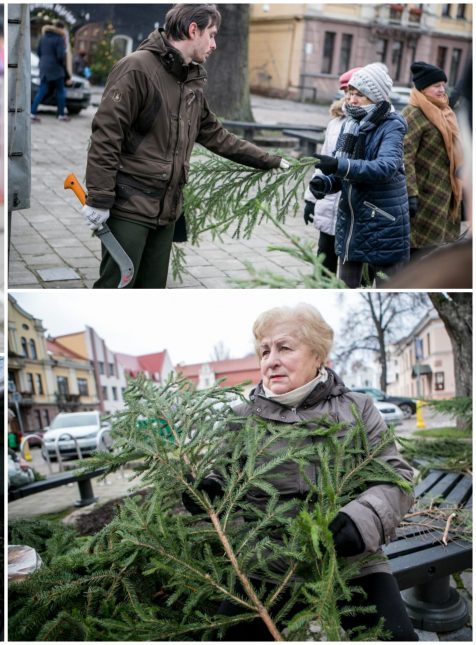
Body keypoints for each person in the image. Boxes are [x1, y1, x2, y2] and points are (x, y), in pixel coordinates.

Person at [189, 304, 416, 640]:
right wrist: (208, 488)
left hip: (351, 562)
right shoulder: (242, 416)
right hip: (266, 565)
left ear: (318, 356)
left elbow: (397, 477)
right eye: (264, 351)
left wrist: (361, 518)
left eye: (285, 347)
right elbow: (222, 470)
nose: (271, 360)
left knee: (394, 636)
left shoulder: (357, 408)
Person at [83, 4, 288, 289]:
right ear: (194, 30)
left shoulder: (191, 80)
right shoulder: (137, 68)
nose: (215, 44)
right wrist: (99, 198)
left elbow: (216, 134)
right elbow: (106, 135)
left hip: (167, 211)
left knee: (152, 290)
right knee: (116, 288)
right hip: (129, 206)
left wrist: (269, 160)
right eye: (212, 35)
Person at [309, 62, 410, 288]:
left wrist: (338, 165)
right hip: (351, 224)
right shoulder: (351, 123)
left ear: (376, 98)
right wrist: (324, 183)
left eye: (360, 95)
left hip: (383, 223)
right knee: (345, 290)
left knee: (387, 292)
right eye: (350, 93)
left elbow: (386, 167)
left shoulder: (391, 126)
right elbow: (340, 171)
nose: (352, 100)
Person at [402, 61, 464, 261]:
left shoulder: (445, 111)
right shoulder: (413, 113)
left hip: (444, 194)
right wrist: (411, 193)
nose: (442, 89)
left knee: (436, 251)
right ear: (422, 88)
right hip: (422, 196)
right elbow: (404, 155)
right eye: (436, 85)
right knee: (417, 252)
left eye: (443, 85)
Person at [303, 67, 361, 277]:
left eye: (354, 91)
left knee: (351, 271)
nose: (349, 96)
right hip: (329, 206)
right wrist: (310, 199)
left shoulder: (369, 125)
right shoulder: (335, 124)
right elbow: (323, 161)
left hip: (353, 210)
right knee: (324, 261)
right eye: (346, 90)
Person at [31, 20, 72, 123]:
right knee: (60, 90)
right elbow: (60, 56)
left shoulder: (43, 37)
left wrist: (44, 61)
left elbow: (38, 52)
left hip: (44, 67)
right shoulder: (60, 38)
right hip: (56, 68)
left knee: (42, 90)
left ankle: (32, 113)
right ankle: (61, 115)